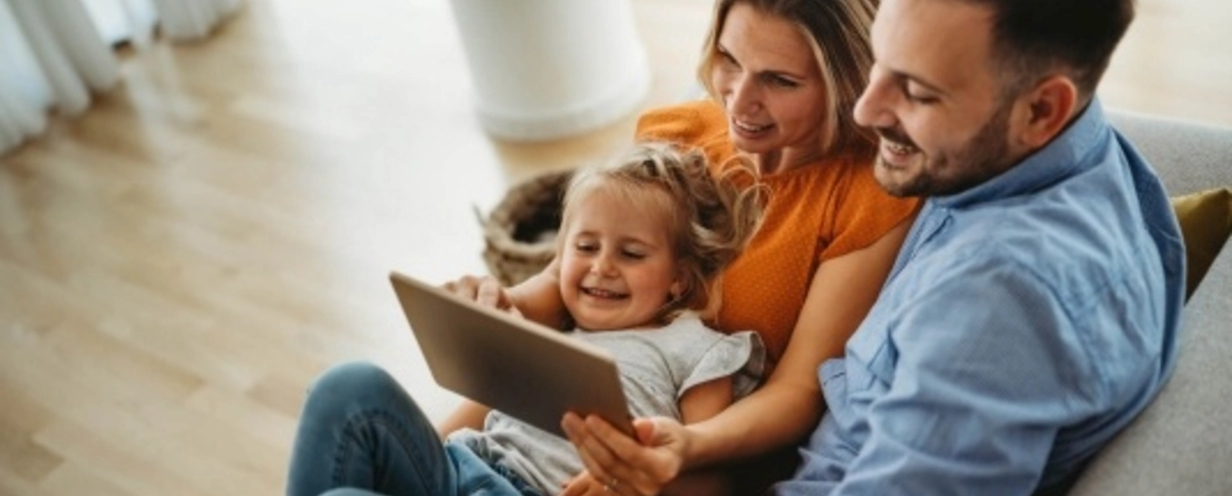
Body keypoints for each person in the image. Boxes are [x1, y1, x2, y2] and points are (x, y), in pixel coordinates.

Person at [566, 0, 1187, 494]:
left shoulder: (997, 307)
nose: (865, 110)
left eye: (916, 91)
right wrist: (689, 446)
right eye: (879, 64)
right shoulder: (1060, 141)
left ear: (1042, 110)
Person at [445, 0, 919, 492]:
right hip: (591, 385)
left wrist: (683, 447)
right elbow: (568, 280)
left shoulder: (866, 197)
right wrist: (498, 305)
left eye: (780, 80)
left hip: (708, 439)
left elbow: (797, 391)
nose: (738, 101)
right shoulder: (679, 134)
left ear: (847, 83)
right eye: (730, 60)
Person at [287, 142, 770, 496]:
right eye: (585, 247)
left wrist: (626, 487)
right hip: (460, 466)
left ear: (678, 281)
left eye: (631, 253)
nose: (602, 266)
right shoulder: (554, 325)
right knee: (348, 386)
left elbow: (713, 479)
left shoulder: (695, 346)